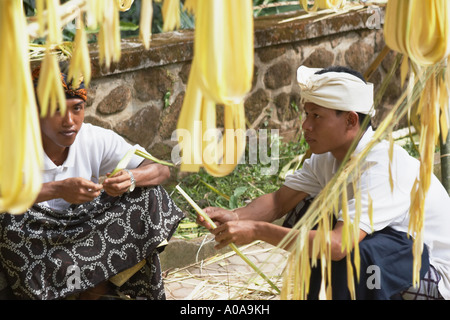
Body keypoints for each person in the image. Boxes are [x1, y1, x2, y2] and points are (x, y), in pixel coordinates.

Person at [197, 65, 450, 300]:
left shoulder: (383, 166)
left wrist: (257, 231)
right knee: (309, 212)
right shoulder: (328, 157)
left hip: (434, 278)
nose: (305, 125)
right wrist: (236, 217)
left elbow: (339, 246)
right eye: (307, 114)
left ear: (351, 120)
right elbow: (279, 202)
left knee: (351, 251)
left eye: (316, 116)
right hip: (396, 264)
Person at [0, 62, 184, 300]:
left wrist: (130, 178)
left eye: (77, 108)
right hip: (35, 240)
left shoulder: (94, 138)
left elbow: (160, 169)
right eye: (56, 109)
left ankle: (95, 291)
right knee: (7, 216)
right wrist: (57, 189)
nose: (69, 120)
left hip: (83, 233)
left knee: (149, 195)